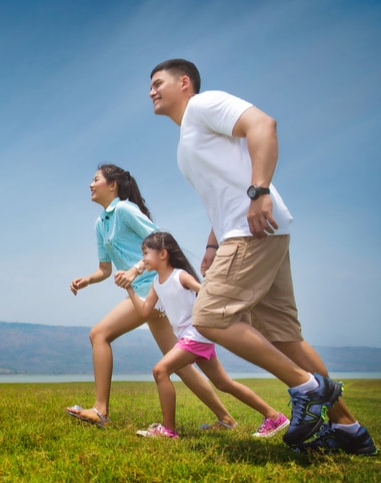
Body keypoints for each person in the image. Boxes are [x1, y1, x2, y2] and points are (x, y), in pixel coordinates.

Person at [147, 58, 377, 454]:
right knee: (286, 337)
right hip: (252, 230)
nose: (151, 91)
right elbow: (221, 196)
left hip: (252, 228)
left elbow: (263, 125)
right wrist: (211, 246)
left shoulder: (204, 105)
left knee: (210, 315)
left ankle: (306, 388)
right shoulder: (188, 138)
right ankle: (349, 430)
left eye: (157, 82)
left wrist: (260, 191)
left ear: (184, 83)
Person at [66, 163, 247, 431]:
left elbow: (160, 241)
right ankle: (227, 419)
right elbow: (105, 269)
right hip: (144, 295)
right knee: (181, 363)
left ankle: (101, 410)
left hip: (153, 290)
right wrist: (87, 280)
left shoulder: (125, 210)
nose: (91, 185)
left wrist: (137, 268)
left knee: (99, 334)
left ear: (112, 185)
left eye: (96, 180)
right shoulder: (100, 224)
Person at [124, 231, 288, 439]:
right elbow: (145, 311)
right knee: (223, 383)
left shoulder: (180, 276)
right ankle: (274, 416)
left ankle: (168, 430)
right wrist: (129, 288)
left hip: (197, 334)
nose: (143, 259)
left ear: (163, 254)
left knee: (160, 370)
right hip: (191, 337)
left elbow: (204, 292)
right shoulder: (157, 282)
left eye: (146, 253)